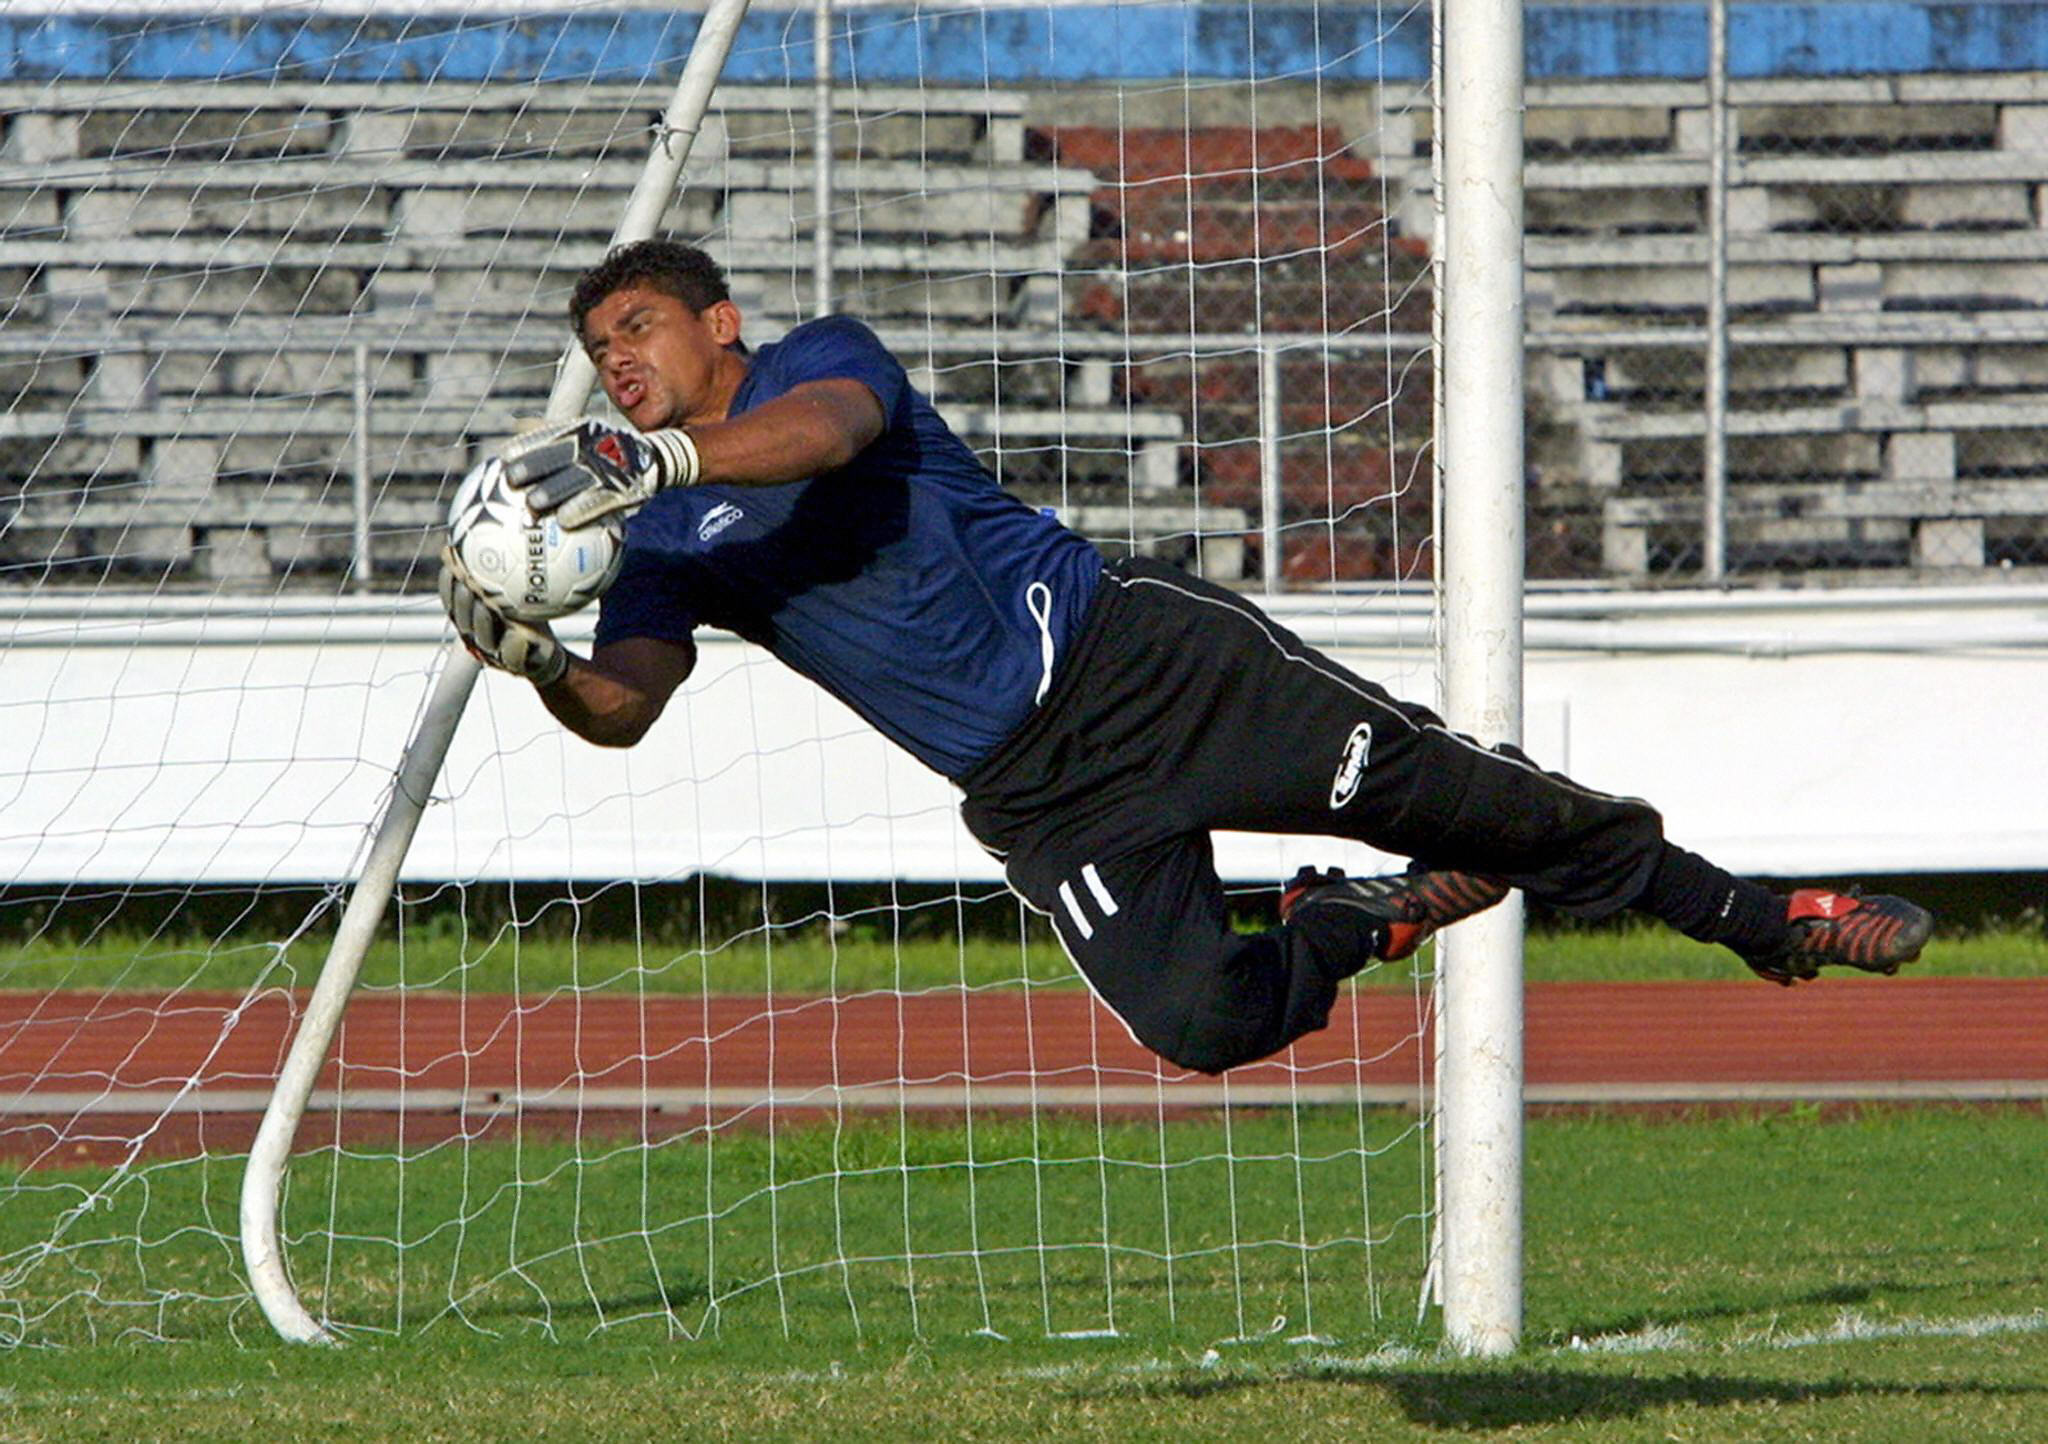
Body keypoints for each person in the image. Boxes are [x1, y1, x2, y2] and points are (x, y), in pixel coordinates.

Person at [438, 238, 1934, 1075]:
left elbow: (822, 443)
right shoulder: (660, 541)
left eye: (639, 329)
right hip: (1041, 794)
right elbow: (628, 706)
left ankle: (1760, 913)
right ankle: (1352, 923)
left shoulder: (820, 363)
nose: (619, 362)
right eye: (603, 351)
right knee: (1202, 1026)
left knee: (1466, 798)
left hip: (1137, 660)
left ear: (720, 324)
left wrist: (666, 457)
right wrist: (541, 665)